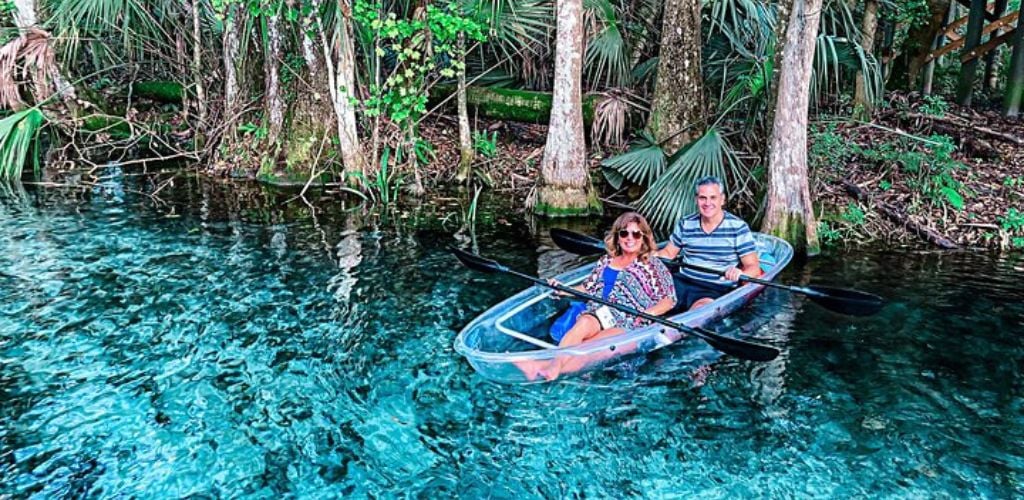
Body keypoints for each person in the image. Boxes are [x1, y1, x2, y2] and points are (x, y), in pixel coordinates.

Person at [518, 212, 675, 380]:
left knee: (589, 347)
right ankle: (554, 365)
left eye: (636, 234)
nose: (630, 238)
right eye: (624, 233)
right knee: (584, 322)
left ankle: (540, 367)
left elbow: (669, 300)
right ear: (617, 236)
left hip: (629, 320)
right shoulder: (606, 261)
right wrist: (563, 289)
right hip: (600, 312)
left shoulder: (652, 264)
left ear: (643, 237)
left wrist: (648, 313)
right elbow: (588, 287)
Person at [655, 176, 762, 311]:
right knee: (649, 301)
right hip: (681, 281)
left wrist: (739, 272)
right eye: (702, 198)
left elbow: (754, 268)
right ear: (696, 200)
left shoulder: (738, 227)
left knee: (698, 310)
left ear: (722, 199)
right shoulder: (685, 223)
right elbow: (668, 254)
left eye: (713, 197)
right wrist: (646, 257)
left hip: (713, 288)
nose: (707, 203)